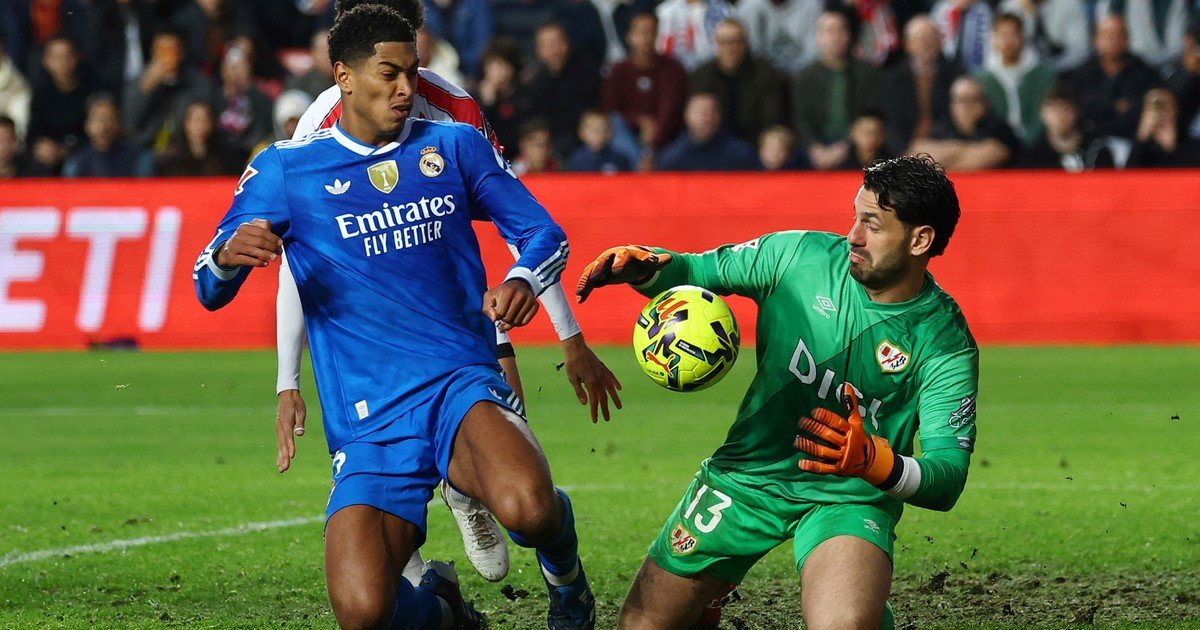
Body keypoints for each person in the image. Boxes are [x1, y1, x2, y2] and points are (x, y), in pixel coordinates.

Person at [194, 6, 595, 629]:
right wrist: (225, 259)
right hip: (369, 418)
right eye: (389, 74)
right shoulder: (287, 168)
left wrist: (522, 278)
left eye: (412, 71)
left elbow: (544, 232)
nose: (407, 88)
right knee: (363, 612)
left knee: (531, 510)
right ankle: (445, 613)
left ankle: (569, 589)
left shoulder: (454, 144)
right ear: (344, 77)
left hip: (459, 382)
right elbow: (206, 285)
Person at [278, 0, 622, 588]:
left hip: (453, 306)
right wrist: (288, 379)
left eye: (409, 55)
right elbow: (296, 258)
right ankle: (416, 572)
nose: (404, 82)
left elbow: (521, 223)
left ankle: (469, 494)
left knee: (517, 460)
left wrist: (569, 335)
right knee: (376, 563)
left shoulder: (455, 110)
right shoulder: (318, 128)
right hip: (370, 336)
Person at [575, 154, 978, 630]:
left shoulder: (944, 342)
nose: (853, 235)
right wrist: (644, 269)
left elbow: (947, 477)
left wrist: (877, 464)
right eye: (855, 217)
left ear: (920, 240)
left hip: (848, 497)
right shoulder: (798, 256)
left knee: (845, 626)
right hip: (747, 475)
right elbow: (695, 271)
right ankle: (709, 598)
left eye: (872, 225)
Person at [791, 10, 882, 171]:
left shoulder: (867, 73)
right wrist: (814, 147)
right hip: (815, 145)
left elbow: (869, 113)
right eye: (830, 31)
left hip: (853, 143)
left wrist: (846, 144)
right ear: (818, 37)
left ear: (848, 36)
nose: (836, 37)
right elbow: (801, 118)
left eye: (841, 30)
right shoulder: (804, 77)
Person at [975, 13, 1056, 145]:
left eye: (1012, 35)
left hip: (1036, 143)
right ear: (993, 39)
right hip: (995, 145)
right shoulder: (982, 78)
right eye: (1002, 35)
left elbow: (1044, 117)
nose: (1007, 41)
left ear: (1023, 37)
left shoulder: (1043, 75)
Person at [910, 76, 1023, 170]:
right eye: (961, 100)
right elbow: (917, 152)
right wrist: (966, 150)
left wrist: (944, 155)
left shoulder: (999, 129)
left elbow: (982, 161)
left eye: (972, 100)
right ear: (951, 105)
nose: (966, 107)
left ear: (984, 103)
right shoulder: (943, 127)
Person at [1019, 84, 1115, 169]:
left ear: (1076, 112)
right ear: (1042, 114)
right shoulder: (1034, 156)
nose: (1061, 117)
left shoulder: (1097, 149)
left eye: (1066, 109)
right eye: (1054, 110)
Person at [655, 92, 759, 171]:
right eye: (701, 111)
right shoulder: (672, 158)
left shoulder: (742, 155)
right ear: (687, 116)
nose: (707, 117)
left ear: (719, 117)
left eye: (712, 111)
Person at [62, 93, 154, 177]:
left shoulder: (140, 158)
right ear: (87, 125)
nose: (104, 126)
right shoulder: (76, 162)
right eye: (99, 119)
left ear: (119, 123)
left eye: (110, 119)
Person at [565, 109, 633, 172]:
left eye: (603, 130)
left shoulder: (620, 159)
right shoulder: (575, 159)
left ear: (610, 133)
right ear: (582, 133)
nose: (598, 134)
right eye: (593, 130)